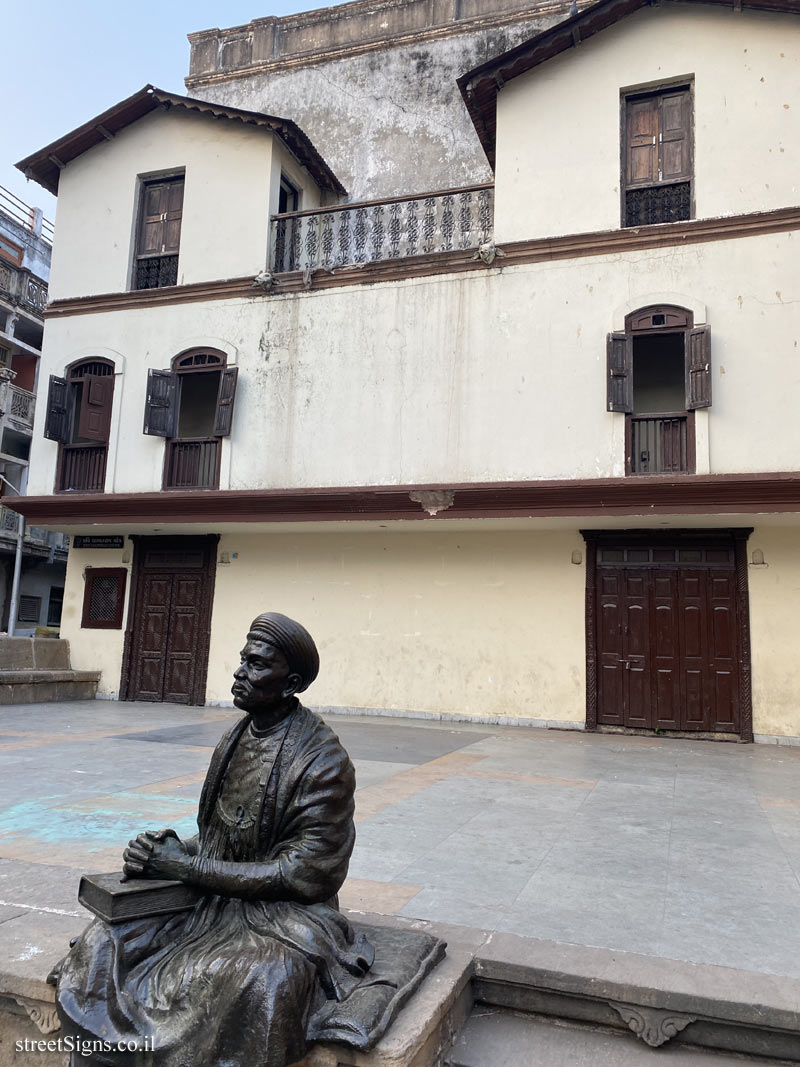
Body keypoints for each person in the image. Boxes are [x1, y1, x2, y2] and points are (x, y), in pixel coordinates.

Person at [56, 612, 374, 1067]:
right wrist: (164, 852)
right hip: (210, 898)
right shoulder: (235, 737)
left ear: (292, 683)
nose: (240, 672)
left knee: (260, 979)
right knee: (104, 943)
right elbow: (217, 836)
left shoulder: (323, 763)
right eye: (243, 660)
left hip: (284, 913)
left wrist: (184, 868)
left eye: (257, 665)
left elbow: (304, 875)